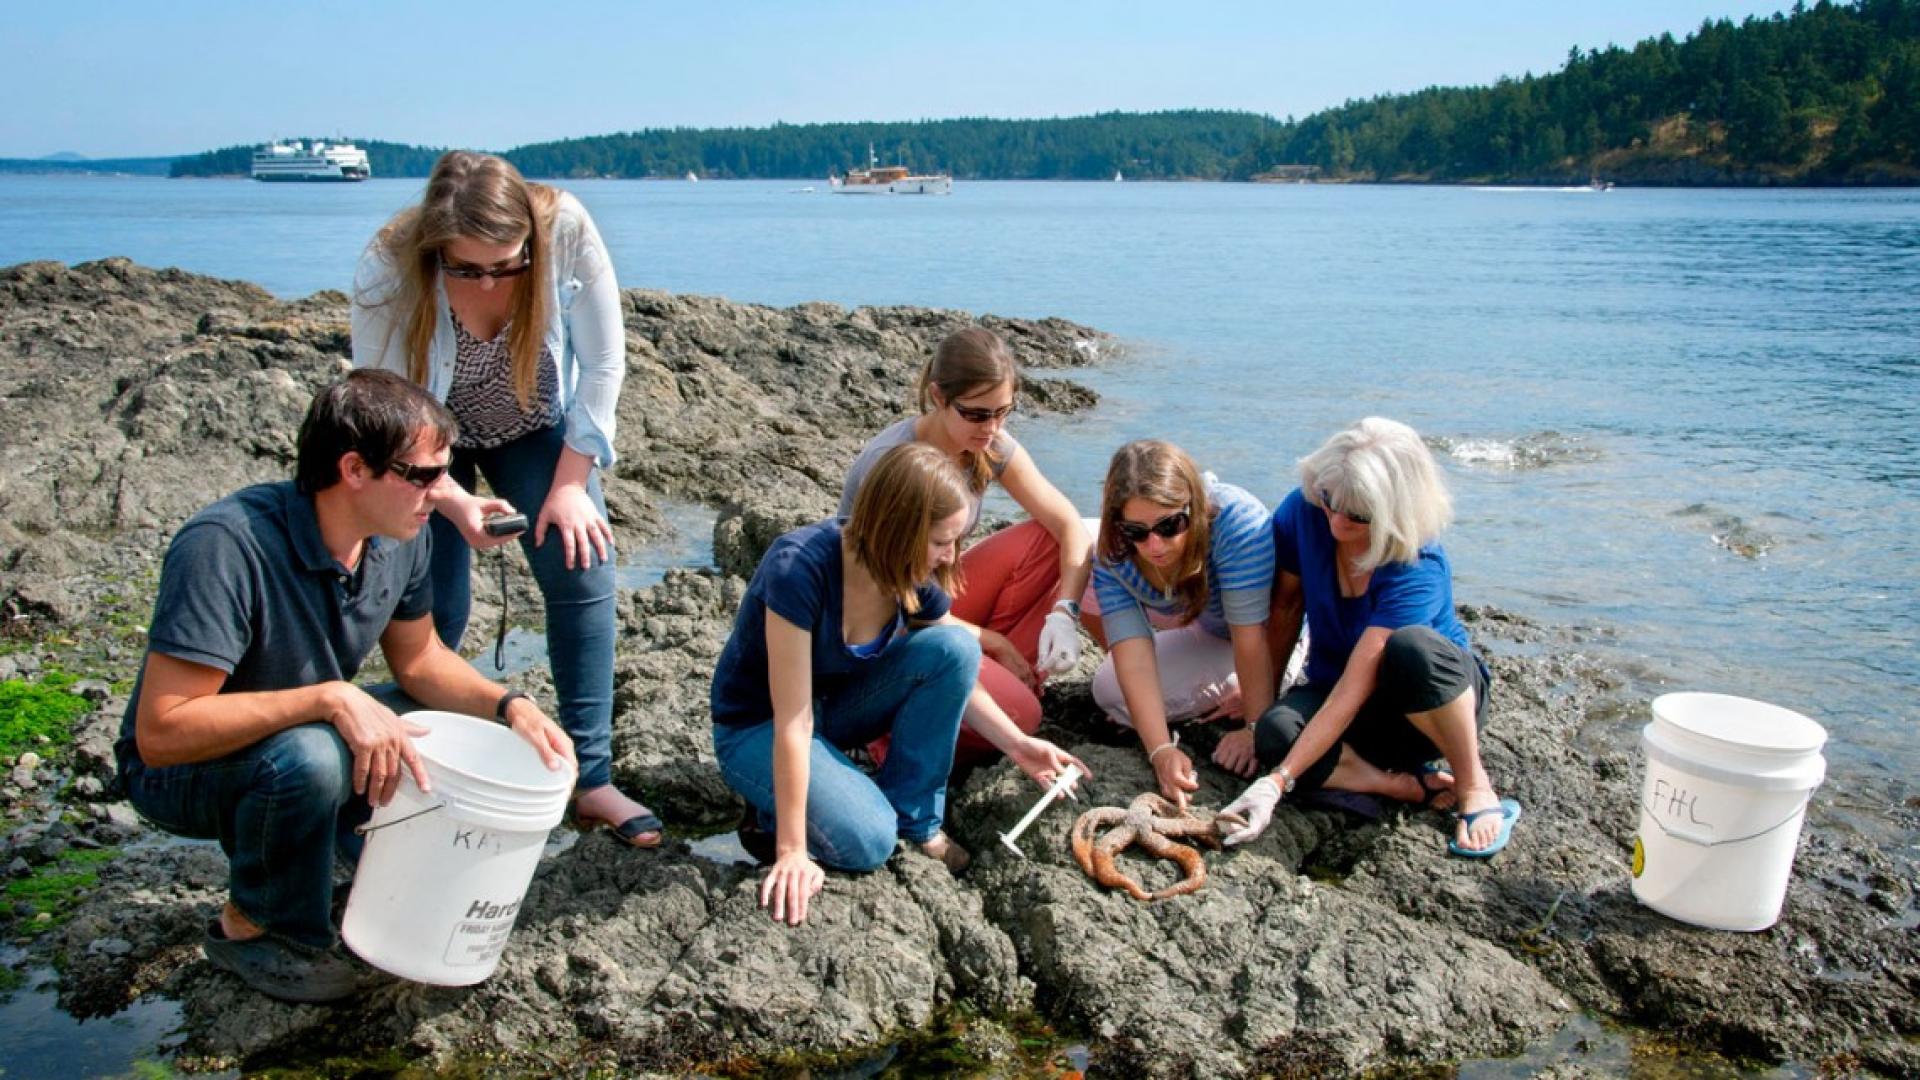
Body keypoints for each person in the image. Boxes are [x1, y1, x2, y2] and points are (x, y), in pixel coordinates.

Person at [116, 371, 576, 1003]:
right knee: (310, 759)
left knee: (431, 718)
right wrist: (331, 698)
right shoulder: (225, 547)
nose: (440, 493)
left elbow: (419, 662)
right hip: (181, 771)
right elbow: (163, 732)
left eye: (444, 473)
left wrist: (510, 705)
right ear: (355, 469)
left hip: (290, 738)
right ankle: (257, 928)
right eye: (423, 476)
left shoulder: (398, 538)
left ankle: (337, 855)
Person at [350, 150, 657, 846]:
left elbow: (604, 362)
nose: (490, 281)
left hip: (534, 425)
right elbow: (385, 406)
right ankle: (433, 771)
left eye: (507, 264)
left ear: (530, 240)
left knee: (584, 564)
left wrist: (573, 484)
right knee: (437, 610)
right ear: (435, 251)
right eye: (466, 269)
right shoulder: (386, 268)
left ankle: (593, 778)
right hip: (426, 444)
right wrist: (450, 500)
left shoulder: (566, 230)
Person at [717, 444, 1089, 926]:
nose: (949, 556)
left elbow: (950, 663)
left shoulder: (911, 575)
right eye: (939, 542)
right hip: (758, 725)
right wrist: (793, 849)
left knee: (955, 647)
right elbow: (793, 718)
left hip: (835, 712)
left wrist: (1018, 745)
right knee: (869, 841)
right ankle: (775, 814)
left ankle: (916, 819)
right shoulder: (799, 568)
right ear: (896, 529)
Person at [1220, 417, 1518, 858]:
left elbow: (1360, 680)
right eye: (1330, 501)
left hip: (1426, 704)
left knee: (1410, 648)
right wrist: (1254, 716)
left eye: (1358, 513)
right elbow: (1283, 611)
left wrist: (1277, 782)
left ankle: (1474, 783)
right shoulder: (1305, 512)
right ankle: (1396, 785)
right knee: (1276, 733)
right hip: (1338, 689)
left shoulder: (1417, 563)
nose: (1337, 521)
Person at [837, 327, 1092, 765]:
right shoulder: (894, 463)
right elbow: (889, 602)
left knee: (1046, 542)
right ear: (938, 396)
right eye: (976, 414)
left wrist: (1065, 613)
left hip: (938, 595)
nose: (992, 428)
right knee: (1023, 716)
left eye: (1004, 412)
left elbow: (1067, 524)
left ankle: (1010, 679)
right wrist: (992, 640)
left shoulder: (988, 445)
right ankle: (888, 735)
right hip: (891, 627)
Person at [1084, 440, 1278, 811]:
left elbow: (1250, 638)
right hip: (1210, 629)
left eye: (1169, 525)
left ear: (1195, 507)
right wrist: (1160, 750)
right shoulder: (1115, 554)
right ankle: (1229, 686)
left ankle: (1276, 686)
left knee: (1258, 685)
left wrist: (1256, 727)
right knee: (1108, 690)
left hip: (1277, 636)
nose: (1154, 544)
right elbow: (1133, 656)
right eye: (1136, 531)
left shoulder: (1237, 521)